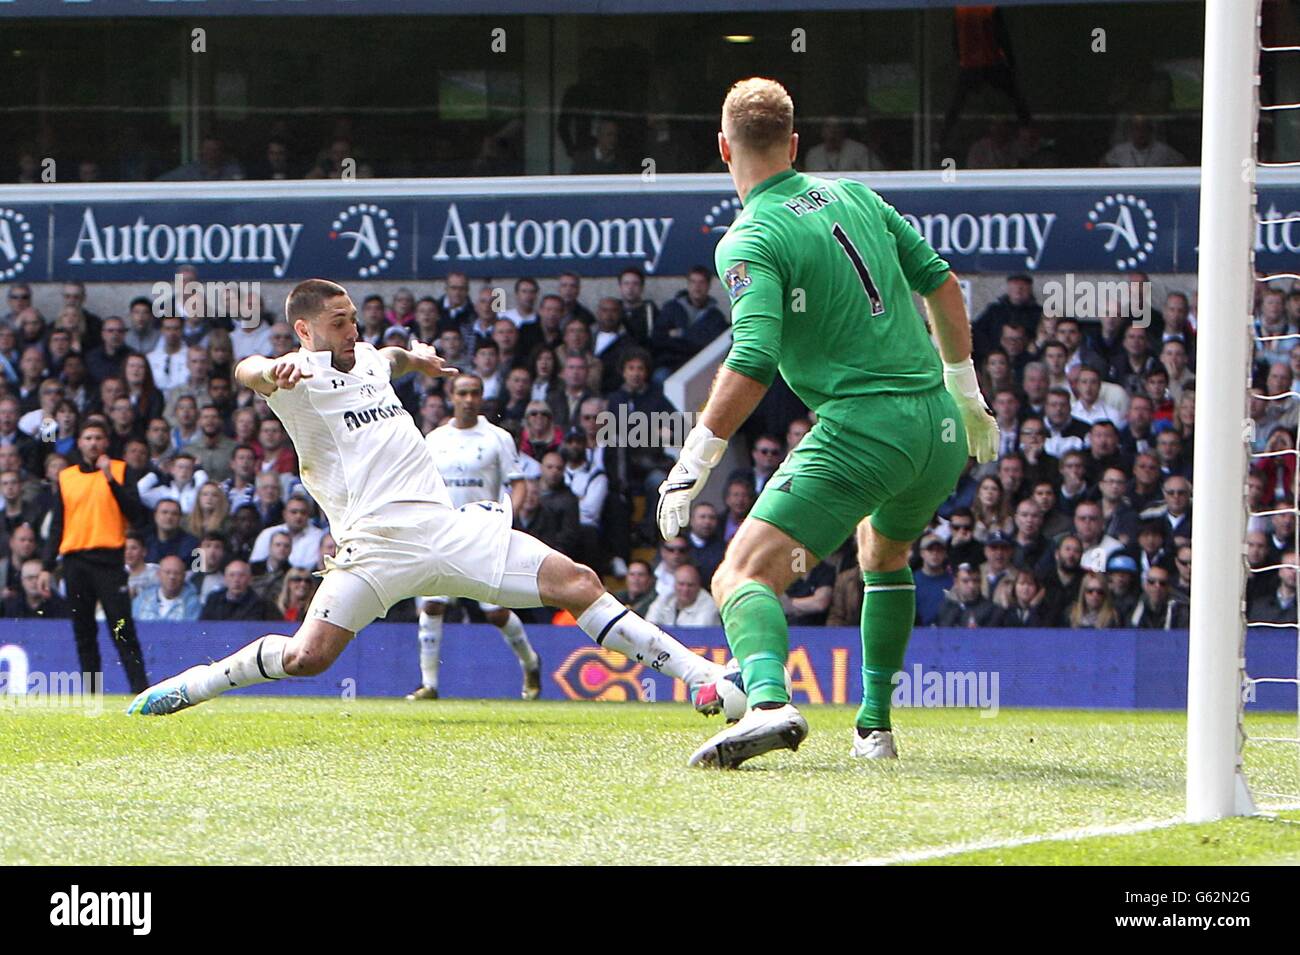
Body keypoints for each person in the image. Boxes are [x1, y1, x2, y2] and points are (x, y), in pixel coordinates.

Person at [128, 279, 728, 721]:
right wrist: (268, 369)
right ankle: (197, 684)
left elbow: (384, 357)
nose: (352, 328)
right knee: (309, 659)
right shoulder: (296, 379)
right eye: (338, 321)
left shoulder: (367, 357)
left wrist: (416, 359)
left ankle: (702, 678)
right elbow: (246, 368)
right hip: (374, 547)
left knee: (578, 581)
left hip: (447, 530)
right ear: (306, 330)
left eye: (354, 317)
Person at [656, 78, 998, 768]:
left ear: (723, 148)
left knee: (742, 574)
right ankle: (874, 728)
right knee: (882, 554)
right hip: (935, 429)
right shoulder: (855, 194)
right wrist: (969, 396)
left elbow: (752, 356)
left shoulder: (750, 236)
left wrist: (694, 457)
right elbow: (943, 281)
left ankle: (770, 701)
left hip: (865, 428)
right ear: (795, 144)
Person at [408, 373, 542, 702]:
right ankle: (430, 685)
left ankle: (531, 661)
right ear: (452, 396)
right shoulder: (434, 439)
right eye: (463, 393)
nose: (469, 399)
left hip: (484, 533)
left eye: (476, 393)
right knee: (432, 606)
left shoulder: (498, 437)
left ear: (482, 397)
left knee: (494, 612)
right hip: (442, 533)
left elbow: (519, 482)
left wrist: (510, 517)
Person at [38, 421, 150, 693]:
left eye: (98, 438)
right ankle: (91, 692)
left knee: (122, 628)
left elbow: (137, 515)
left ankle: (140, 689)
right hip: (75, 561)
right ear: (79, 442)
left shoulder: (121, 471)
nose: (93, 443)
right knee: (83, 630)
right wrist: (46, 566)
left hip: (110, 560)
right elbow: (58, 526)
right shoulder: (66, 477)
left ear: (106, 442)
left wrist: (110, 480)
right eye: (88, 438)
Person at [647, 564, 722, 627]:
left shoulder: (709, 606)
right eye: (681, 584)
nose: (685, 589)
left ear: (699, 586)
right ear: (674, 585)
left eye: (690, 585)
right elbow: (649, 626)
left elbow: (695, 634)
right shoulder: (664, 598)